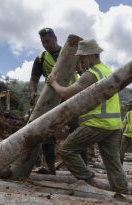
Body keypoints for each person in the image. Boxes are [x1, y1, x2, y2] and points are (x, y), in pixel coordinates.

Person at [47, 39, 129, 194]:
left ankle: (89, 182)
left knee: (66, 150)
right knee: (114, 165)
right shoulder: (105, 70)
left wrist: (53, 83)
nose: (81, 62)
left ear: (91, 56)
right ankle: (124, 194)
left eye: (82, 58)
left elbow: (65, 94)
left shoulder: (91, 75)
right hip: (114, 125)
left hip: (97, 124)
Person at [29, 27, 84, 174]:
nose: (45, 44)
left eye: (48, 41)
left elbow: (83, 70)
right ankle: (50, 167)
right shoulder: (41, 59)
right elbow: (34, 79)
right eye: (43, 42)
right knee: (47, 132)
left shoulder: (70, 52)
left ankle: (82, 167)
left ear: (55, 39)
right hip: (52, 99)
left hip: (72, 96)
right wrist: (32, 92)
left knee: (77, 129)